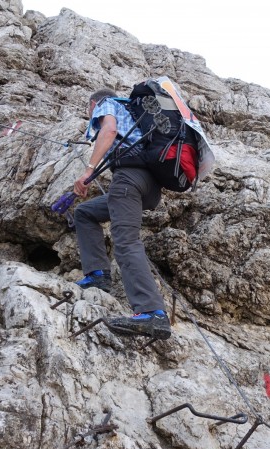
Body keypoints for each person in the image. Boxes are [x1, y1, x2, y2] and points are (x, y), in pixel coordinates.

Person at [71, 88, 171, 340]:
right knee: (85, 212)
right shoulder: (134, 111)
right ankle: (97, 275)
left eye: (89, 111)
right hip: (149, 187)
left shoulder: (107, 104)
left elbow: (109, 131)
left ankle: (152, 312)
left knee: (126, 240)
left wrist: (88, 170)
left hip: (128, 179)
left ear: (93, 104)